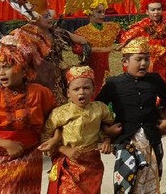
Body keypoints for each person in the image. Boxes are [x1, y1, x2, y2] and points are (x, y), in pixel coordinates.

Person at [96, 37, 166, 194]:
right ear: (125, 62)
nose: (144, 63)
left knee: (152, 179)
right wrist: (107, 131)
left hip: (152, 137)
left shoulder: (155, 79)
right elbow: (97, 109)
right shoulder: (113, 83)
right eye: (138, 59)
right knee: (125, 182)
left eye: (146, 59)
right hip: (126, 138)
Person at [0, 40, 55, 194]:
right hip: (0, 157)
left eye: (7, 67)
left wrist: (54, 140)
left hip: (31, 156)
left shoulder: (40, 93)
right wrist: (6, 144)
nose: (1, 72)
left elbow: (56, 120)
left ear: (23, 70)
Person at [41, 66, 117, 194]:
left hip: (92, 164)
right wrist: (64, 149)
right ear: (68, 93)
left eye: (86, 88)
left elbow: (108, 127)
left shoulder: (100, 109)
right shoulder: (60, 113)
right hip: (69, 164)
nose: (81, 92)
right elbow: (45, 138)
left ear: (94, 90)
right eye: (76, 89)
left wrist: (107, 141)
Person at [73, 0, 122, 95]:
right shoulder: (81, 32)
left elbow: (124, 36)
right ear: (90, 13)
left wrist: (124, 43)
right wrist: (99, 50)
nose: (103, 15)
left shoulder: (111, 27)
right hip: (90, 70)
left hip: (108, 69)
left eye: (104, 12)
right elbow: (76, 49)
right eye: (99, 12)